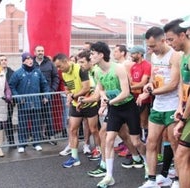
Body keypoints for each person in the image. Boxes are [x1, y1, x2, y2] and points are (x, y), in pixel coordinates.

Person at [79, 41, 146, 187]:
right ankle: (109, 176)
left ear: (101, 55)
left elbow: (126, 92)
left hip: (128, 107)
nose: (91, 56)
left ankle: (147, 165)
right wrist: (103, 99)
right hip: (114, 108)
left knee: (136, 141)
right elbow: (101, 88)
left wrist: (109, 102)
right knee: (108, 139)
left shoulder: (119, 68)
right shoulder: (96, 71)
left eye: (93, 53)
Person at [137, 26, 181, 188]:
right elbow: (154, 79)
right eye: (149, 46)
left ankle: (176, 180)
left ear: (163, 40)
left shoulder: (175, 56)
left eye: (153, 46)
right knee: (151, 143)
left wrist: (150, 92)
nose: (151, 49)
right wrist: (148, 86)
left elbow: (174, 84)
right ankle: (152, 179)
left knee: (175, 145)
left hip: (173, 105)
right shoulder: (154, 58)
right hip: (158, 106)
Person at [53, 53, 99, 168]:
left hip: (89, 102)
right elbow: (68, 87)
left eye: (60, 66)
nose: (59, 69)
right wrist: (69, 94)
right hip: (75, 103)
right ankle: (74, 157)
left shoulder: (80, 69)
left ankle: (99, 150)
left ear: (66, 61)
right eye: (57, 67)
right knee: (72, 129)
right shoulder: (64, 73)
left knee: (94, 129)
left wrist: (73, 96)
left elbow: (86, 88)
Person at [165, 17, 190, 188]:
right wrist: (180, 107)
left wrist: (182, 120)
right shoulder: (183, 58)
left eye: (171, 39)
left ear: (183, 35)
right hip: (186, 110)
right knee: (182, 156)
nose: (169, 43)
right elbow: (184, 86)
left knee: (181, 155)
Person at [9, 52, 50, 153]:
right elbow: (11, 86)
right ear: (23, 61)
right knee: (22, 125)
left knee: (36, 124)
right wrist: (18, 98)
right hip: (23, 104)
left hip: (36, 103)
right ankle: (22, 144)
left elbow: (45, 85)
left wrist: (46, 96)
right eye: (27, 59)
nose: (30, 61)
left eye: (31, 58)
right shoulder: (17, 73)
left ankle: (36, 143)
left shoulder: (38, 72)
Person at [33, 45, 59, 144]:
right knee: (36, 116)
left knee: (48, 116)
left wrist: (51, 90)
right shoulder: (31, 63)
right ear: (34, 52)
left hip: (47, 94)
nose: (41, 52)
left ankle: (51, 136)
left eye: (42, 51)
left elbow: (56, 77)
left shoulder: (50, 63)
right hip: (34, 95)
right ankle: (38, 137)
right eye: (39, 51)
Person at [0, 55, 15, 145]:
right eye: (1, 60)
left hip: (9, 101)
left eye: (5, 60)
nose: (3, 61)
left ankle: (11, 140)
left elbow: (14, 86)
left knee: (9, 120)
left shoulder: (12, 73)